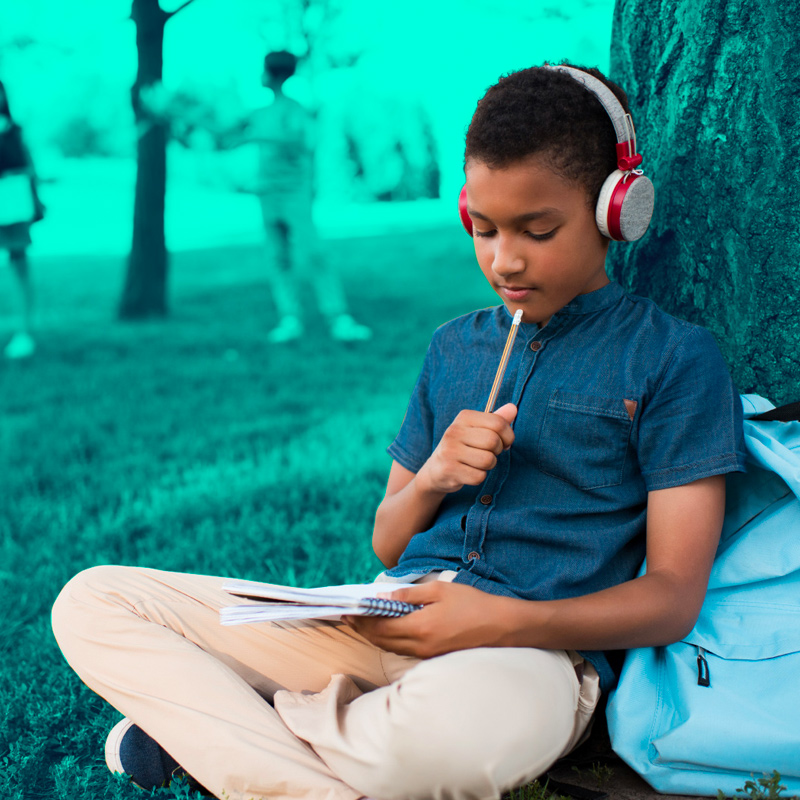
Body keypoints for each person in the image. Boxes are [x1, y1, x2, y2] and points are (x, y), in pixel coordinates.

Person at [51, 63, 747, 800]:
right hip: (380, 617)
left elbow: (672, 598)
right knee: (93, 602)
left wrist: (502, 619)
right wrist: (437, 475)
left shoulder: (673, 358)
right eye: (483, 229)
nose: (504, 260)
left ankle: (235, 730)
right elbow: (387, 541)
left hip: (524, 654)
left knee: (453, 743)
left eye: (538, 231)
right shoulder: (453, 347)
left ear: (615, 210)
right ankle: (320, 733)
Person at [225, 50, 371, 344]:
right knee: (278, 257)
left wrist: (257, 136)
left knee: (314, 254)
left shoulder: (295, 110)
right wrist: (173, 110)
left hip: (294, 195)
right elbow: (223, 132)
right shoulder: (258, 114)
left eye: (263, 69)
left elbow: (302, 142)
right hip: (267, 194)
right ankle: (289, 318)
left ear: (273, 73)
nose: (259, 75)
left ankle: (338, 317)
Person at [0, 79, 43, 359]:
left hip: (14, 206)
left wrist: (37, 201)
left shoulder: (15, 131)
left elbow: (29, 168)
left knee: (19, 267)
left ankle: (24, 331)